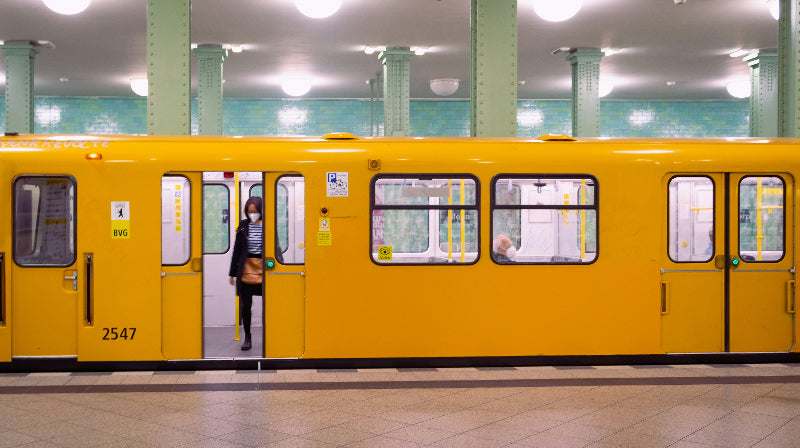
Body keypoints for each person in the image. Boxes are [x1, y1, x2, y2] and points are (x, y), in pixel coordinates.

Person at [229, 197, 263, 351]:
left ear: (261, 211)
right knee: (246, 306)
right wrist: (232, 273)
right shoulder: (243, 225)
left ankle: (270, 335)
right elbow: (236, 249)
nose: (252, 214)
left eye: (255, 211)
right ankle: (247, 337)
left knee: (269, 306)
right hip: (245, 270)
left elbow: (276, 245)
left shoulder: (268, 225)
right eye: (249, 212)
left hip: (264, 271)